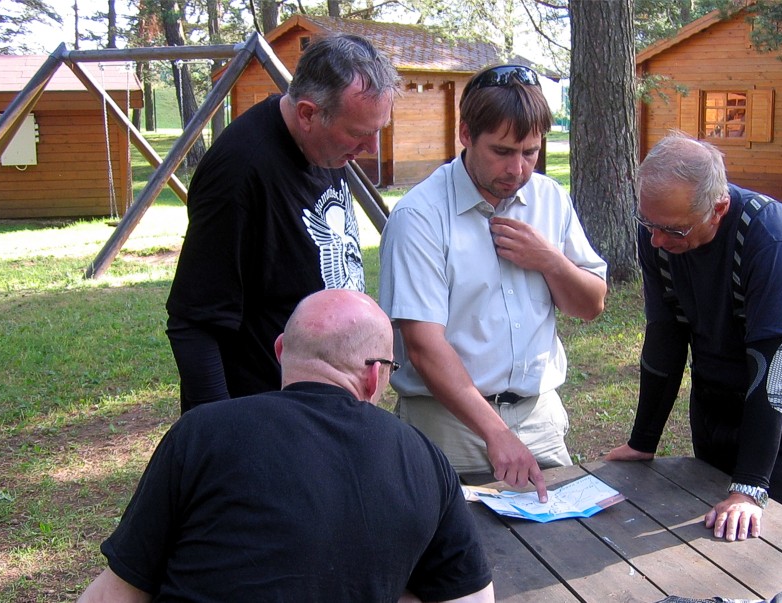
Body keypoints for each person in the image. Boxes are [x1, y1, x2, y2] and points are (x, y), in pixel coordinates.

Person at [78, 290, 495, 603]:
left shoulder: (200, 432)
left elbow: (119, 590)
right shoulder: (424, 457)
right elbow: (472, 598)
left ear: (281, 351)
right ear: (374, 376)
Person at [379, 64, 608, 501]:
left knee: (561, 550)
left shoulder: (550, 199)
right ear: (466, 134)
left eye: (530, 152)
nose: (518, 169)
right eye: (502, 151)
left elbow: (591, 306)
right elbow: (425, 349)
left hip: (538, 418)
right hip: (448, 427)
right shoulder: (420, 217)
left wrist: (551, 262)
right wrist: (495, 432)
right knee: (452, 559)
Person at [606, 132, 782, 542]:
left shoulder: (770, 236)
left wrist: (750, 487)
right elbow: (666, 335)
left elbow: (773, 368)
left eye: (673, 231)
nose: (656, 241)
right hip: (717, 396)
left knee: (759, 542)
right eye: (648, 224)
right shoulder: (661, 230)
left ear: (718, 208)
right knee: (705, 529)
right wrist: (642, 441)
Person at [165, 33, 400, 414]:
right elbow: (194, 323)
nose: (371, 148)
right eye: (359, 133)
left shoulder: (326, 148)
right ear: (308, 113)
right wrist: (219, 433)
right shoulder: (239, 172)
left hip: (328, 411)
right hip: (267, 416)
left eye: (379, 130)